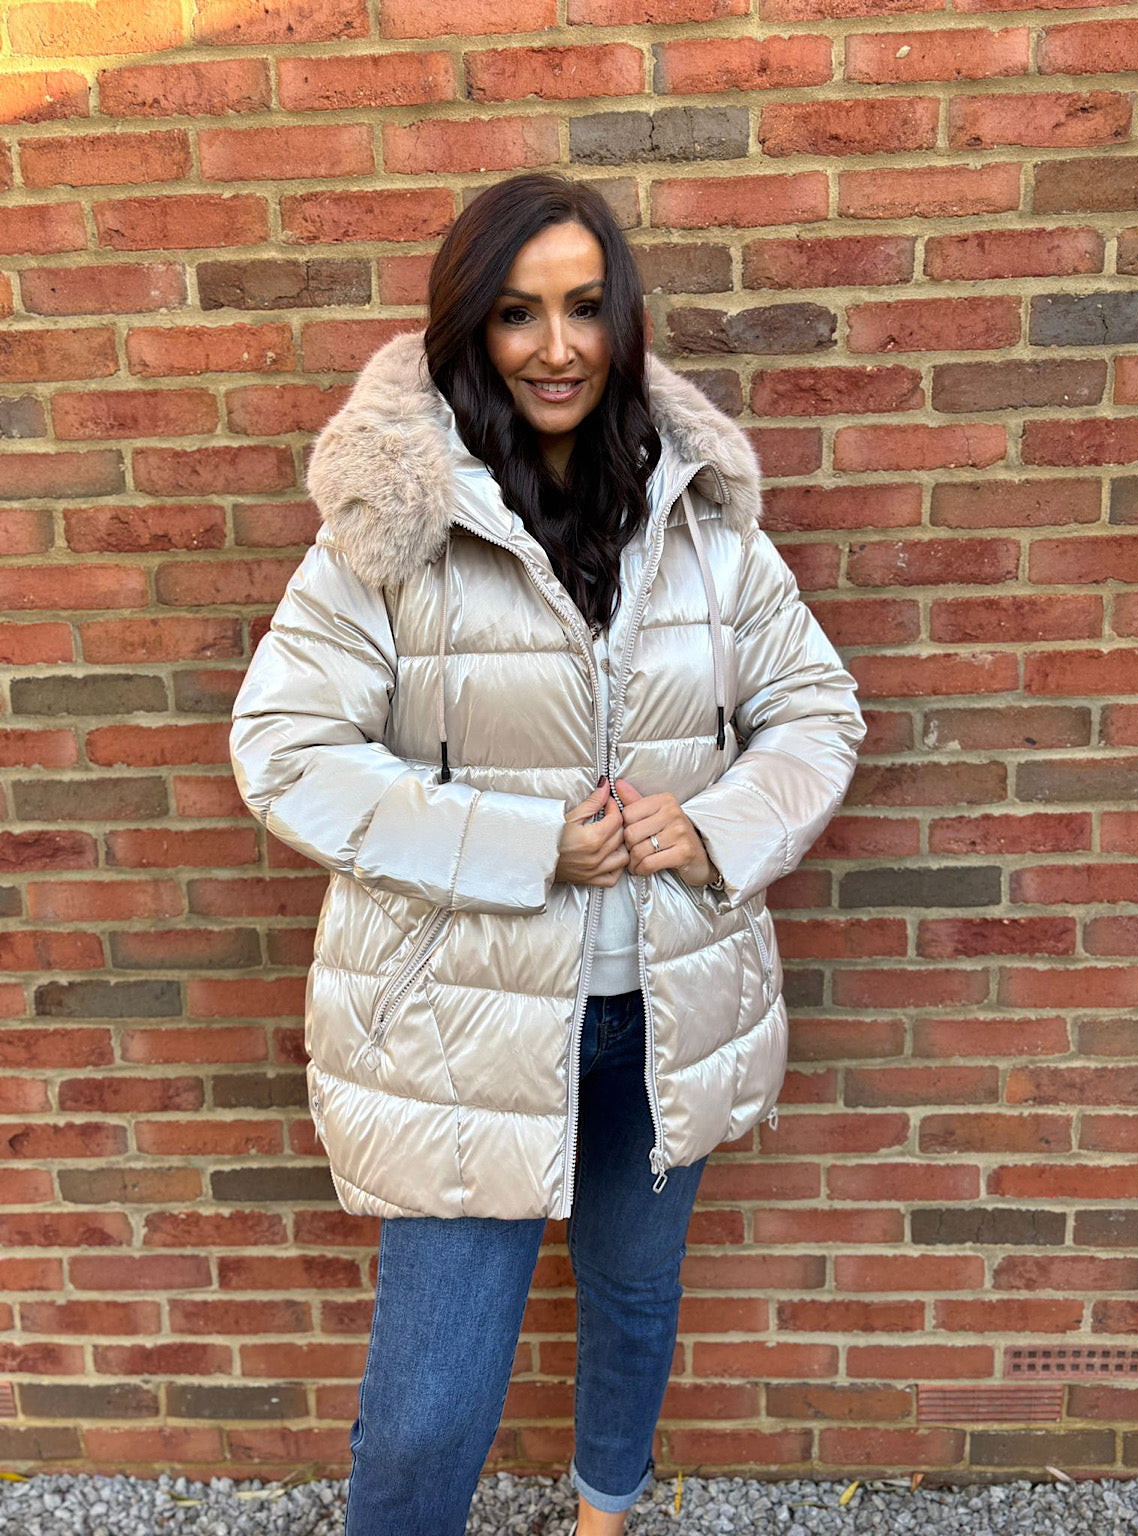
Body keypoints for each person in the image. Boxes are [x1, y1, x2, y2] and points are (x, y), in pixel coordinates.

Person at [229, 171, 867, 1536]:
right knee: (431, 1399)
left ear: (623, 319)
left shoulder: (698, 514)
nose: (557, 347)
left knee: (634, 1293)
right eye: (519, 313)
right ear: (472, 325)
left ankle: (603, 1516)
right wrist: (525, 846)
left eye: (584, 308)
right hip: (463, 1021)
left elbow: (816, 710)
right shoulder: (393, 527)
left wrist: (711, 825)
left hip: (669, 1004)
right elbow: (284, 749)